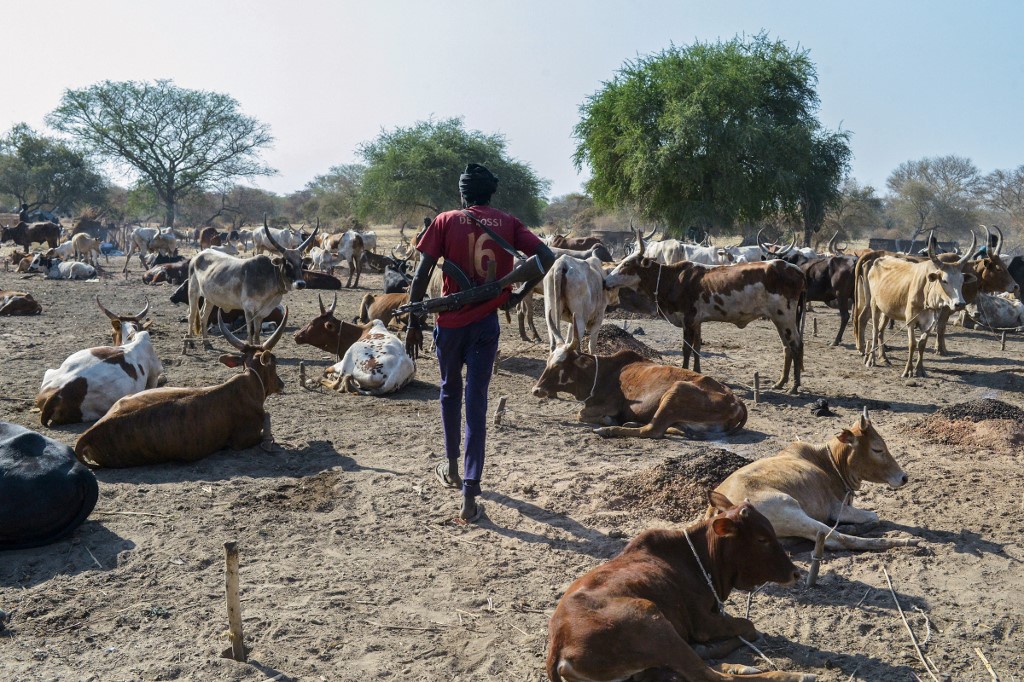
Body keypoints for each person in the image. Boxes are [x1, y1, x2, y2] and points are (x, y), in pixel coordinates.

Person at [405, 164, 554, 523]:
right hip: (486, 325)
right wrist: (516, 297)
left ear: (463, 194)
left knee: (449, 391)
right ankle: (470, 494)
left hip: (449, 324)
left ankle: (453, 468)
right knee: (477, 402)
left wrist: (413, 321)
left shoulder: (444, 221)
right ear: (490, 194)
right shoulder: (509, 222)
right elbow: (546, 257)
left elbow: (422, 273)